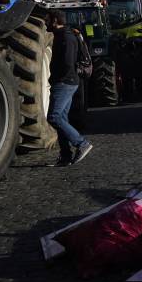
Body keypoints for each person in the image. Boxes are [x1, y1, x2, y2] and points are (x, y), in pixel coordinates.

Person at [47, 9, 93, 166]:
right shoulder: (63, 35)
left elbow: (67, 63)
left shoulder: (66, 37)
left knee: (54, 117)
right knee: (62, 118)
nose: (45, 22)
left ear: (54, 21)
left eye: (47, 19)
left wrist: (58, 79)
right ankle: (65, 155)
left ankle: (81, 143)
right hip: (66, 82)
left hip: (65, 82)